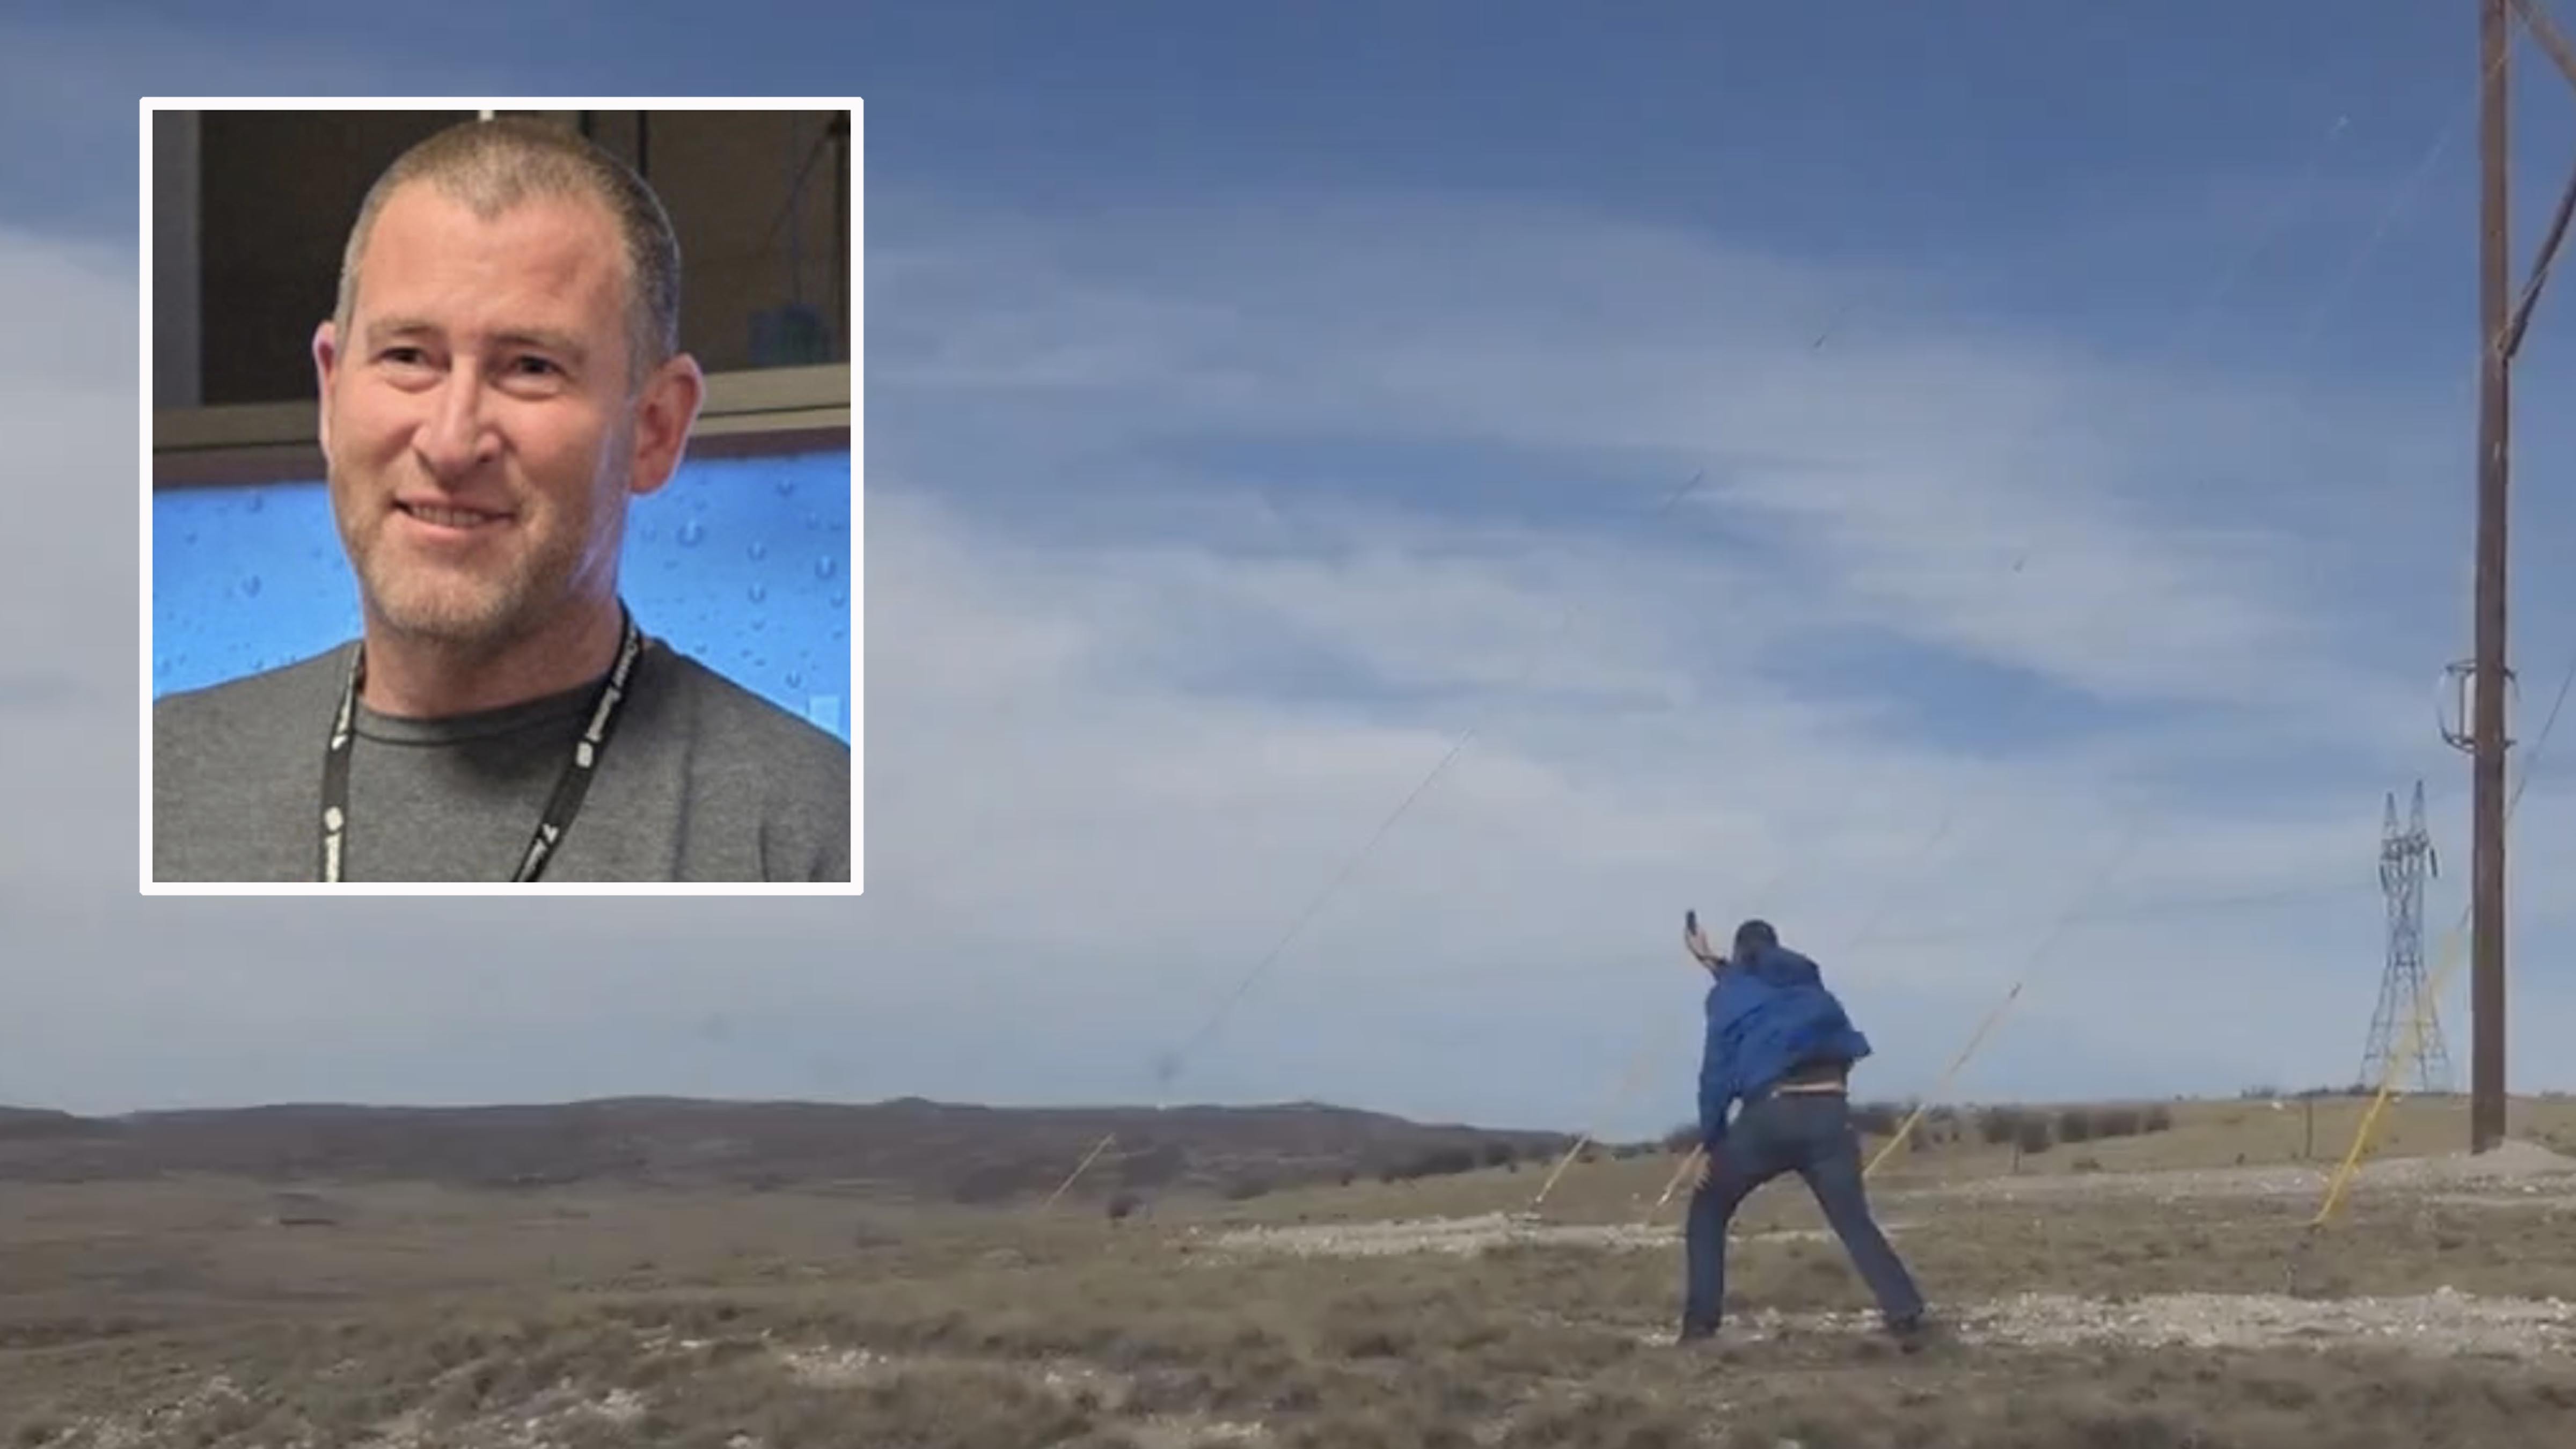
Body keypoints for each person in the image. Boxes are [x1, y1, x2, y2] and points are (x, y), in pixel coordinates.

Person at [152, 116, 850, 883]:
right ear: (331, 389)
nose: (451, 442)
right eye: (409, 357)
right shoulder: (148, 787)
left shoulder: (811, 834)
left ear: (654, 429)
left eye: (530, 367)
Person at [1677, 914, 1933, 1350]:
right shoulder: (1809, 988)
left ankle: (1701, 1329)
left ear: (1741, 956)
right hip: (1831, 1112)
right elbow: (1757, 990)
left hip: (1770, 1114)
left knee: (1708, 1211)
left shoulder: (1732, 996)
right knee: (1853, 1219)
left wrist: (1712, 1143)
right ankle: (1905, 1314)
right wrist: (1709, 959)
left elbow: (1716, 1072)